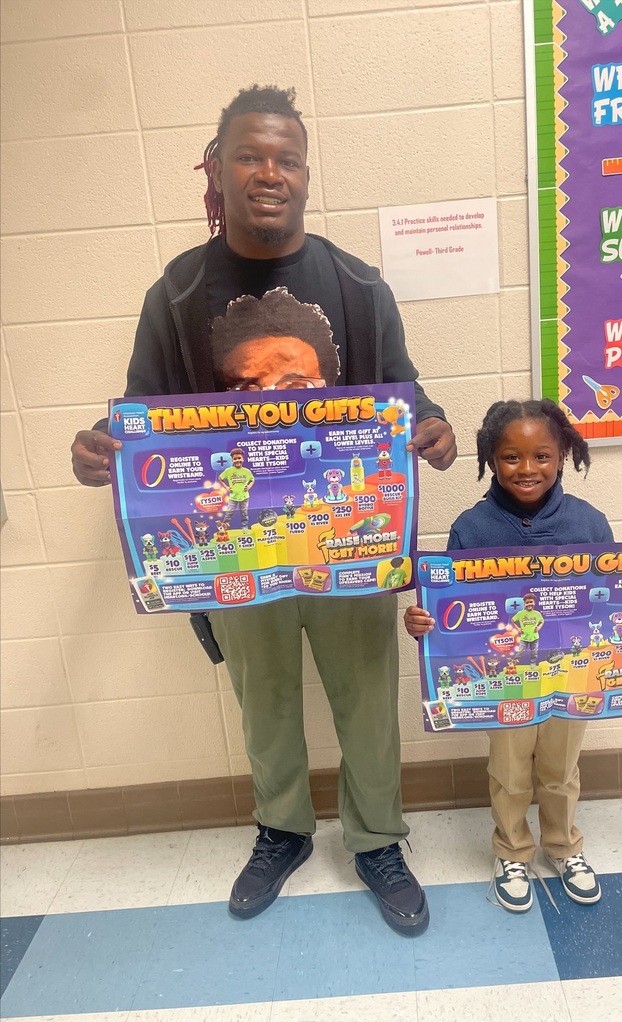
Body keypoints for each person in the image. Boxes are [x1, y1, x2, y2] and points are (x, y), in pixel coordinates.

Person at [70, 84, 457, 936]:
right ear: (218, 167)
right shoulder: (175, 295)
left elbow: (404, 390)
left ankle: (376, 840)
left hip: (348, 539)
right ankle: (282, 830)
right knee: (264, 696)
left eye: (285, 157)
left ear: (307, 175)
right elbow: (142, 407)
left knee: (364, 695)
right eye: (249, 155)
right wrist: (99, 444)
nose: (268, 172)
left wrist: (431, 426)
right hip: (232, 550)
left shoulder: (357, 285)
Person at [404, 398, 622, 913]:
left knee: (561, 770)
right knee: (509, 770)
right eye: (511, 457)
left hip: (573, 678)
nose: (527, 469)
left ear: (563, 455)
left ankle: (564, 846)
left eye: (541, 456)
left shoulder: (589, 523)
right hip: (506, 681)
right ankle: (512, 851)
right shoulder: (471, 529)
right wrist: (423, 624)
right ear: (490, 461)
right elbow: (451, 611)